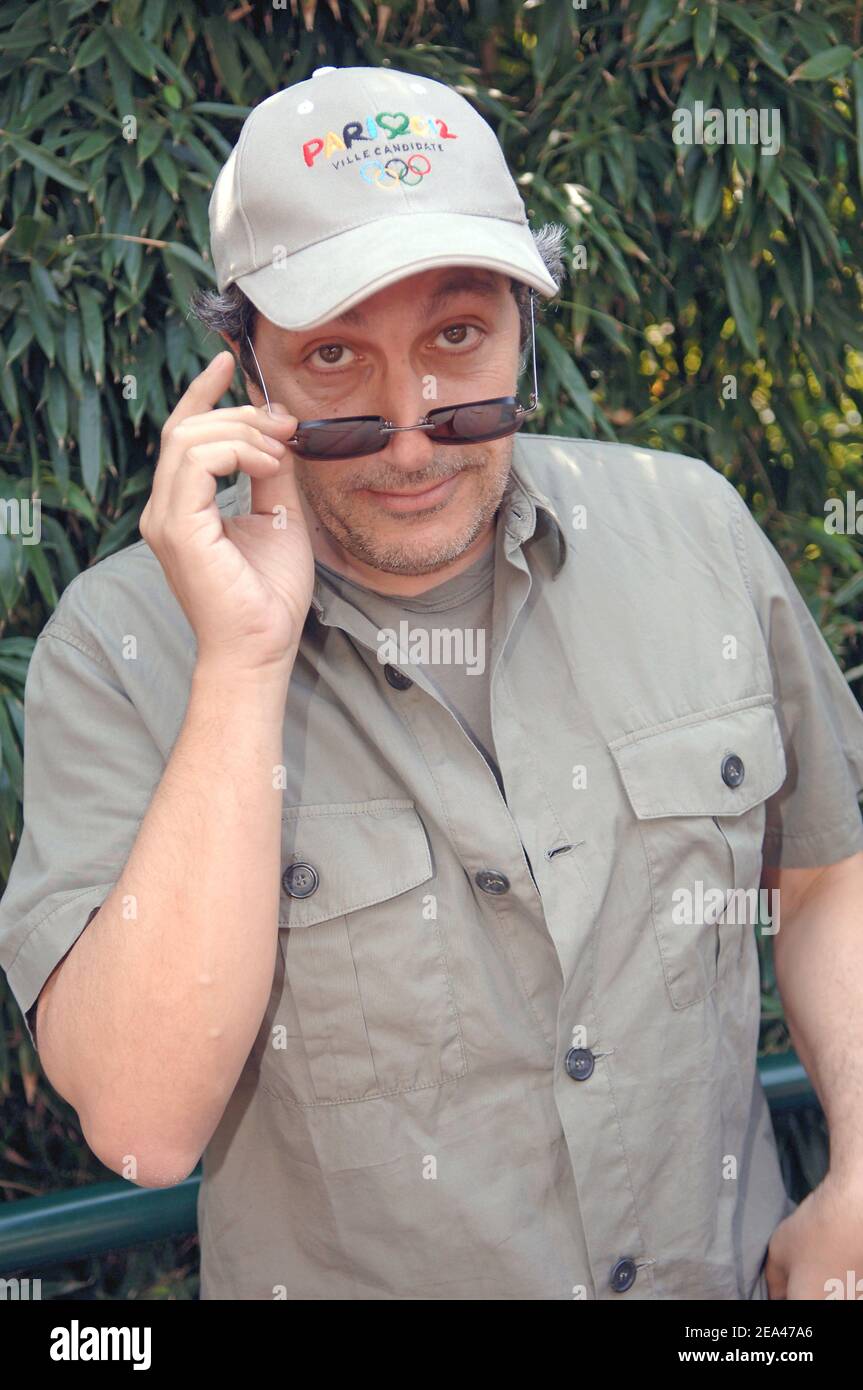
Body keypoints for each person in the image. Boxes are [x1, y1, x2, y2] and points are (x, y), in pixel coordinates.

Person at [2, 64, 863, 1302]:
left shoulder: (694, 529)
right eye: (336, 355)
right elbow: (145, 1126)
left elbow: (827, 863)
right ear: (247, 376)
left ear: (523, 321)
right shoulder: (121, 648)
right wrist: (243, 666)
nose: (409, 430)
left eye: (455, 338)